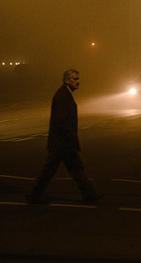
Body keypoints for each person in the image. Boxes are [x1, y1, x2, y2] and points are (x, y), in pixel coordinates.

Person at [26, 69, 100, 205]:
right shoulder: (62, 96)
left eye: (78, 79)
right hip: (62, 143)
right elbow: (61, 120)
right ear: (67, 80)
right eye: (75, 79)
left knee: (73, 169)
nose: (78, 82)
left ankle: (90, 195)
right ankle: (33, 195)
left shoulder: (65, 94)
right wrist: (71, 136)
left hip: (62, 142)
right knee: (60, 170)